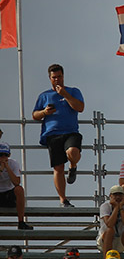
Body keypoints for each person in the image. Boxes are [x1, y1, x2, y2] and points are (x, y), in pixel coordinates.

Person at [31, 64, 84, 207]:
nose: (57, 80)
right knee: (58, 168)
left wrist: (65, 95)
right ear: (50, 78)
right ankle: (63, 200)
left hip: (71, 132)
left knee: (73, 152)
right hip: (52, 134)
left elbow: (80, 107)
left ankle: (73, 166)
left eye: (59, 77)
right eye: (54, 77)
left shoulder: (73, 91)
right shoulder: (44, 96)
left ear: (63, 76)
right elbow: (35, 115)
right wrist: (44, 112)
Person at [0, 142, 32, 230]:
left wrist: (7, 168)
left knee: (19, 189)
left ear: (9, 155)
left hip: (8, 194)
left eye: (5, 155)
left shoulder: (13, 163)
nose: (3, 157)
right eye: (0, 155)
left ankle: (21, 222)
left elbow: (16, 182)